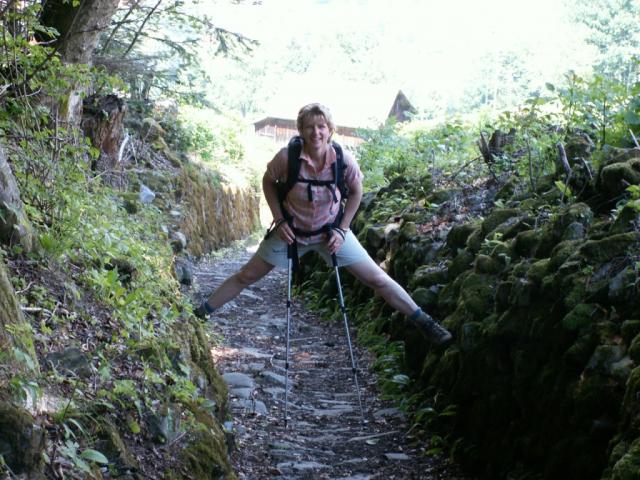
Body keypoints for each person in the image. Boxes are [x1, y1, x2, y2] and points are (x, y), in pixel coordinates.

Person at [195, 103, 452, 347]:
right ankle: (199, 314)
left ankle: (425, 322)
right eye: (309, 126)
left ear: (330, 129)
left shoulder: (343, 160)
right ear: (301, 130)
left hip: (331, 234)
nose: (315, 132)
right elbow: (268, 182)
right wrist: (279, 219)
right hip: (290, 234)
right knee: (246, 276)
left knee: (377, 278)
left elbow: (356, 191)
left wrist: (342, 228)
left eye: (321, 126)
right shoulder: (287, 158)